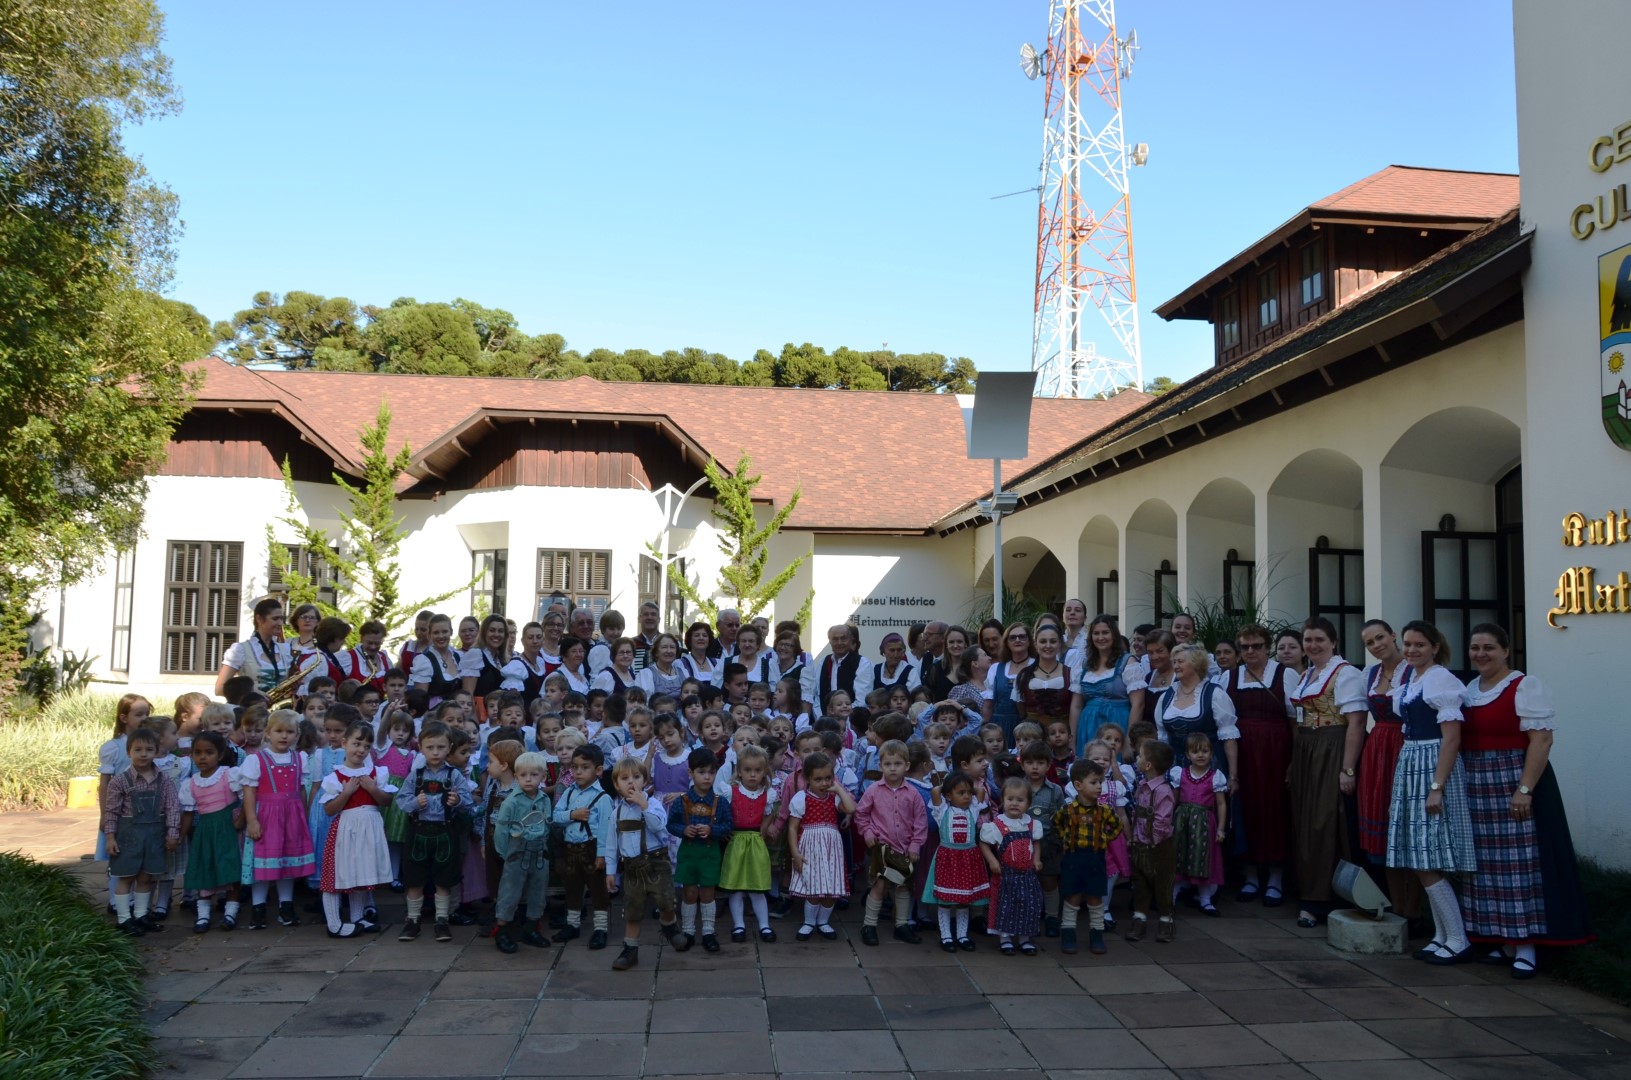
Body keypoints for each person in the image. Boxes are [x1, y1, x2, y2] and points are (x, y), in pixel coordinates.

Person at [1458, 623, 1592, 977]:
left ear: (1505, 651)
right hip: (1477, 784)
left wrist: (1525, 789)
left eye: (1489, 647)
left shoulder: (1524, 686)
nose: (1481, 654)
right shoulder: (1471, 689)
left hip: (1513, 779)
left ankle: (1527, 947)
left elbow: (1541, 741)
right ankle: (1503, 938)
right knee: (1487, 865)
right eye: (1475, 648)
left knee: (1519, 864)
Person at [1387, 620, 1477, 964]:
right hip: (1412, 760)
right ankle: (1443, 935)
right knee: (1419, 855)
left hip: (1432, 763)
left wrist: (1437, 787)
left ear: (1434, 647)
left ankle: (1458, 937)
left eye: (1419, 645)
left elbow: (1451, 737)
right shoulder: (1411, 679)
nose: (1411, 650)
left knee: (1429, 855)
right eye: (1408, 644)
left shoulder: (1440, 679)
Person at [1288, 616, 1366, 928]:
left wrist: (1348, 768)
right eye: (1308, 640)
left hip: (1332, 748)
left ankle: (1323, 899)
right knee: (1305, 821)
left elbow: (1356, 723)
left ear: (1333, 642)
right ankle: (1309, 892)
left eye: (1319, 639)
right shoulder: (1308, 673)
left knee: (1325, 821)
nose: (1313, 645)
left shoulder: (1345, 674)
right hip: (1307, 750)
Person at [1222, 624, 1296, 907]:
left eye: (1256, 646)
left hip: (1276, 752)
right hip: (1241, 752)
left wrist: (1293, 760)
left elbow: (1294, 720)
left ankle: (1275, 878)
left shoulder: (1285, 674)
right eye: (1245, 647)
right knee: (1246, 809)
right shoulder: (1229, 677)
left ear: (1267, 647)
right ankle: (1250, 875)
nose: (1250, 651)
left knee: (1274, 809)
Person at [1357, 619, 1423, 921]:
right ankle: (1397, 907)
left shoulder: (1415, 671)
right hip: (1377, 750)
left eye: (1380, 637)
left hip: (1406, 746)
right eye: (1369, 643)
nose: (1376, 645)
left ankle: (1415, 910)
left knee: (1409, 825)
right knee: (1385, 827)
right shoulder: (1369, 674)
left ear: (1393, 636)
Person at [394, 721, 478, 943]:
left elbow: (469, 804)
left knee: (444, 879)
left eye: (441, 747)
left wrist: (458, 800)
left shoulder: (455, 775)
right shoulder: (416, 775)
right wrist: (414, 803)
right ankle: (413, 921)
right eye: (430, 747)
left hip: (445, 832)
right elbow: (401, 801)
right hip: (418, 831)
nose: (435, 752)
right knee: (414, 879)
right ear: (421, 747)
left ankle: (442, 920)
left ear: (449, 747)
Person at [604, 756, 686, 969]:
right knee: (633, 910)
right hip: (632, 868)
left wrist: (645, 806)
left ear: (645, 781)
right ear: (616, 785)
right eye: (624, 778)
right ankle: (630, 950)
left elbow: (662, 830)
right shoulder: (617, 813)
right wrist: (610, 872)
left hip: (656, 864)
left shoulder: (654, 804)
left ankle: (669, 924)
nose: (631, 782)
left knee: (666, 901)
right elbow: (612, 845)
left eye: (637, 777)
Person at [317, 720, 394, 938]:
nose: (361, 750)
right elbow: (330, 810)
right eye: (356, 743)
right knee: (336, 875)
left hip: (369, 827)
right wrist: (346, 792)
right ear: (344, 743)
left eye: (366, 746)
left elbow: (387, 801)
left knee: (361, 873)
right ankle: (333, 923)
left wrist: (372, 787)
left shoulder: (376, 774)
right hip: (345, 829)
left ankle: (357, 917)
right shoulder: (335, 777)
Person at [239, 710, 316, 930]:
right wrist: (252, 820)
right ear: (267, 733)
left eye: (290, 732)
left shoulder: (299, 759)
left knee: (288, 863)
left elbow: (301, 790)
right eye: (279, 731)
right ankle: (258, 907)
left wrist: (304, 817)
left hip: (292, 817)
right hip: (267, 816)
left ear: (297, 734)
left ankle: (286, 905)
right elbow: (249, 792)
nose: (284, 736)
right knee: (264, 864)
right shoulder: (256, 760)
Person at [103, 726, 181, 935]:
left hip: (155, 836)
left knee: (147, 877)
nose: (143, 754)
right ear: (129, 752)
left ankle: (141, 914)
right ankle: (124, 918)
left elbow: (173, 807)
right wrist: (110, 837)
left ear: (156, 752)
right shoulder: (120, 781)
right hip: (128, 836)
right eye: (138, 750)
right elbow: (111, 811)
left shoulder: (164, 780)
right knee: (126, 876)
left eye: (148, 749)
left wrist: (173, 833)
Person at [854, 739, 928, 947]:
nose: (893, 768)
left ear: (906, 766)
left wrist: (915, 844)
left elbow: (920, 822)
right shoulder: (874, 791)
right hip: (881, 847)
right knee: (879, 886)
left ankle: (902, 925)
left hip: (904, 848)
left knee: (904, 887)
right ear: (881, 766)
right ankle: (869, 925)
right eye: (888, 764)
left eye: (897, 764)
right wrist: (867, 832)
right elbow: (861, 814)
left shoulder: (913, 793)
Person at [668, 747, 734, 952]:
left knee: (707, 893)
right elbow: (671, 825)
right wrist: (684, 829)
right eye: (701, 772)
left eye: (711, 772)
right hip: (688, 853)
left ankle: (708, 932)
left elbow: (728, 825)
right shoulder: (682, 801)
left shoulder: (720, 802)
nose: (707, 777)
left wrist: (712, 830)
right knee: (689, 892)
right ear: (691, 773)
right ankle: (688, 932)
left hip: (709, 853)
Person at [1055, 757, 1123, 955]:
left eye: (1100, 782)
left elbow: (1117, 826)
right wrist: (1065, 839)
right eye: (1093, 783)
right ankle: (1068, 935)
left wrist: (1105, 837)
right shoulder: (1067, 810)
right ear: (1078, 785)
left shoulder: (1104, 810)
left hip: (1095, 858)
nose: (1099, 787)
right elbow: (1056, 823)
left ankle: (1097, 935)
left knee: (1095, 898)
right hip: (1073, 858)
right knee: (1073, 897)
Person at [787, 750, 855, 940]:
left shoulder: (835, 798)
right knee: (813, 888)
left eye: (828, 778)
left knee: (830, 889)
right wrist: (795, 853)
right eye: (818, 779)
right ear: (808, 778)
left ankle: (823, 922)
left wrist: (839, 789)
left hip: (832, 848)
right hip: (810, 847)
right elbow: (792, 828)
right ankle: (809, 922)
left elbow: (851, 809)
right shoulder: (801, 798)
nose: (824, 783)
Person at [490, 751, 553, 954]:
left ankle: (531, 929)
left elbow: (548, 823)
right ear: (516, 776)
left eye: (534, 775)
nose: (528, 779)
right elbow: (501, 829)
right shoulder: (512, 801)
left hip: (539, 853)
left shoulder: (544, 800)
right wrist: (505, 852)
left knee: (538, 891)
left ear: (543, 777)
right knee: (510, 892)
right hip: (517, 852)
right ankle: (502, 930)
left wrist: (545, 846)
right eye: (523, 775)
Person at [178, 732, 242, 932]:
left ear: (220, 755)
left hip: (227, 830)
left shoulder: (228, 775)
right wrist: (180, 835)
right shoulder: (191, 783)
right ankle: (203, 914)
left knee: (230, 869)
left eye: (209, 752)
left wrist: (242, 820)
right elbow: (188, 813)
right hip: (205, 832)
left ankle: (230, 912)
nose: (202, 757)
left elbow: (248, 797)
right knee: (204, 869)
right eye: (198, 753)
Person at [552, 744, 612, 948]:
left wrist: (602, 855)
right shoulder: (569, 792)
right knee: (572, 888)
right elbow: (556, 816)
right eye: (575, 767)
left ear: (598, 771)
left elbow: (605, 831)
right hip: (571, 849)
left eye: (584, 767)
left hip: (592, 849)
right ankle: (572, 925)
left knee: (597, 890)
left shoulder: (603, 798)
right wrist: (572, 815)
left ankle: (600, 928)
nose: (578, 772)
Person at [1153, 643, 1239, 782]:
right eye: (1174, 662)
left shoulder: (1214, 694)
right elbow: (1162, 739)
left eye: (1180, 661)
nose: (1175, 666)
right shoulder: (1167, 696)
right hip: (1175, 770)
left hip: (1209, 769)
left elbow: (1229, 738)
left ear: (1196, 664)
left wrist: (1233, 776)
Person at [923, 773, 990, 951]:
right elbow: (936, 791)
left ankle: (962, 935)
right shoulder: (943, 810)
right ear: (948, 796)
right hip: (948, 859)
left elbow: (980, 791)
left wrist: (967, 785)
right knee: (945, 899)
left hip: (968, 859)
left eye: (969, 792)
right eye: (961, 793)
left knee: (963, 900)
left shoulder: (973, 810)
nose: (967, 796)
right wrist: (950, 785)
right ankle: (946, 936)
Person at [720, 744, 777, 943]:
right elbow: (722, 813)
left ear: (765, 772)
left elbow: (769, 814)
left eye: (758, 770)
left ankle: (764, 925)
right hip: (736, 841)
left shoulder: (767, 794)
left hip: (756, 842)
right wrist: (725, 829)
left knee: (757, 886)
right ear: (739, 771)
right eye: (747, 770)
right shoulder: (730, 791)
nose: (752, 775)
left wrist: (765, 827)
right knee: (736, 887)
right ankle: (738, 925)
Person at [981, 778, 1044, 955]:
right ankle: (1005, 938)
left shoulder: (1032, 824)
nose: (1014, 803)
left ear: (1029, 803)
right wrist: (992, 861)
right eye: (1010, 799)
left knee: (1028, 905)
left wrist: (1037, 859)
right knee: (1006, 906)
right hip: (1006, 875)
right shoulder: (996, 826)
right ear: (1003, 800)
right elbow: (984, 843)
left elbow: (1036, 843)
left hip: (1027, 875)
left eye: (1020, 800)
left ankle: (1025, 938)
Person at [1126, 738, 1178, 943]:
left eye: (1140, 756)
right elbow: (1137, 815)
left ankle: (1166, 921)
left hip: (1158, 847)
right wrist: (1135, 838)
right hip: (1141, 844)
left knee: (1162, 885)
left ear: (1148, 765)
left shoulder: (1163, 791)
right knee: (1140, 884)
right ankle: (1139, 920)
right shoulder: (1142, 786)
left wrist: (1153, 841)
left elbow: (1162, 820)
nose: (1137, 758)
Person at [1170, 732, 1229, 916]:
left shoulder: (1215, 777)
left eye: (1205, 751)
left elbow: (1221, 803)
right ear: (1187, 755)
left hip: (1204, 824)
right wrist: (1168, 822)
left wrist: (1220, 828)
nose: (1200, 755)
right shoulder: (1180, 774)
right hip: (1182, 822)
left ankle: (1205, 900)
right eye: (1195, 752)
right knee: (1179, 857)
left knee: (1203, 860)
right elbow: (1174, 800)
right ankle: (1171, 896)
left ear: (1211, 753)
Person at [1069, 615, 1146, 753]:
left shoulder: (1127, 662)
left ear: (1114, 635)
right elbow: (1076, 705)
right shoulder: (1084, 665)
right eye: (1096, 633)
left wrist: (1129, 741)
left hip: (1117, 725)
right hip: (1087, 726)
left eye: (1105, 632)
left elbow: (1138, 704)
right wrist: (1072, 740)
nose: (1100, 637)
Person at [215, 597, 292, 697]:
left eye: (281, 618)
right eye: (275, 619)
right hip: (250, 709)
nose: (280, 623)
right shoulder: (240, 650)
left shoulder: (284, 649)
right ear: (259, 619)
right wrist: (250, 691)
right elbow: (219, 689)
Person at [984, 623, 1033, 743]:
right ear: (1006, 642)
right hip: (998, 727)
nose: (1017, 640)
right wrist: (984, 728)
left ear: (1029, 641)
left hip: (1027, 728)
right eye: (1012, 637)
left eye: (1022, 636)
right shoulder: (996, 668)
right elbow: (988, 705)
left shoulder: (1036, 666)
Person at [809, 624, 875, 711]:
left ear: (851, 640)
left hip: (852, 721)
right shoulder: (823, 662)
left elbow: (861, 701)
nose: (839, 643)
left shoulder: (862, 663)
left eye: (843, 638)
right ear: (830, 641)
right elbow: (817, 696)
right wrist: (823, 719)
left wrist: (842, 717)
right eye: (835, 639)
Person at [409, 613, 463, 708]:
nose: (441, 636)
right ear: (429, 635)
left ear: (451, 632)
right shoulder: (424, 661)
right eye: (436, 632)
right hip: (435, 715)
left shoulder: (459, 657)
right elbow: (421, 700)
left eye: (444, 631)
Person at [460, 614, 513, 704]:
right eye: (492, 630)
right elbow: (468, 695)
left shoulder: (501, 659)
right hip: (479, 713)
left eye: (500, 631)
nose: (496, 634)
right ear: (484, 633)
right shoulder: (475, 654)